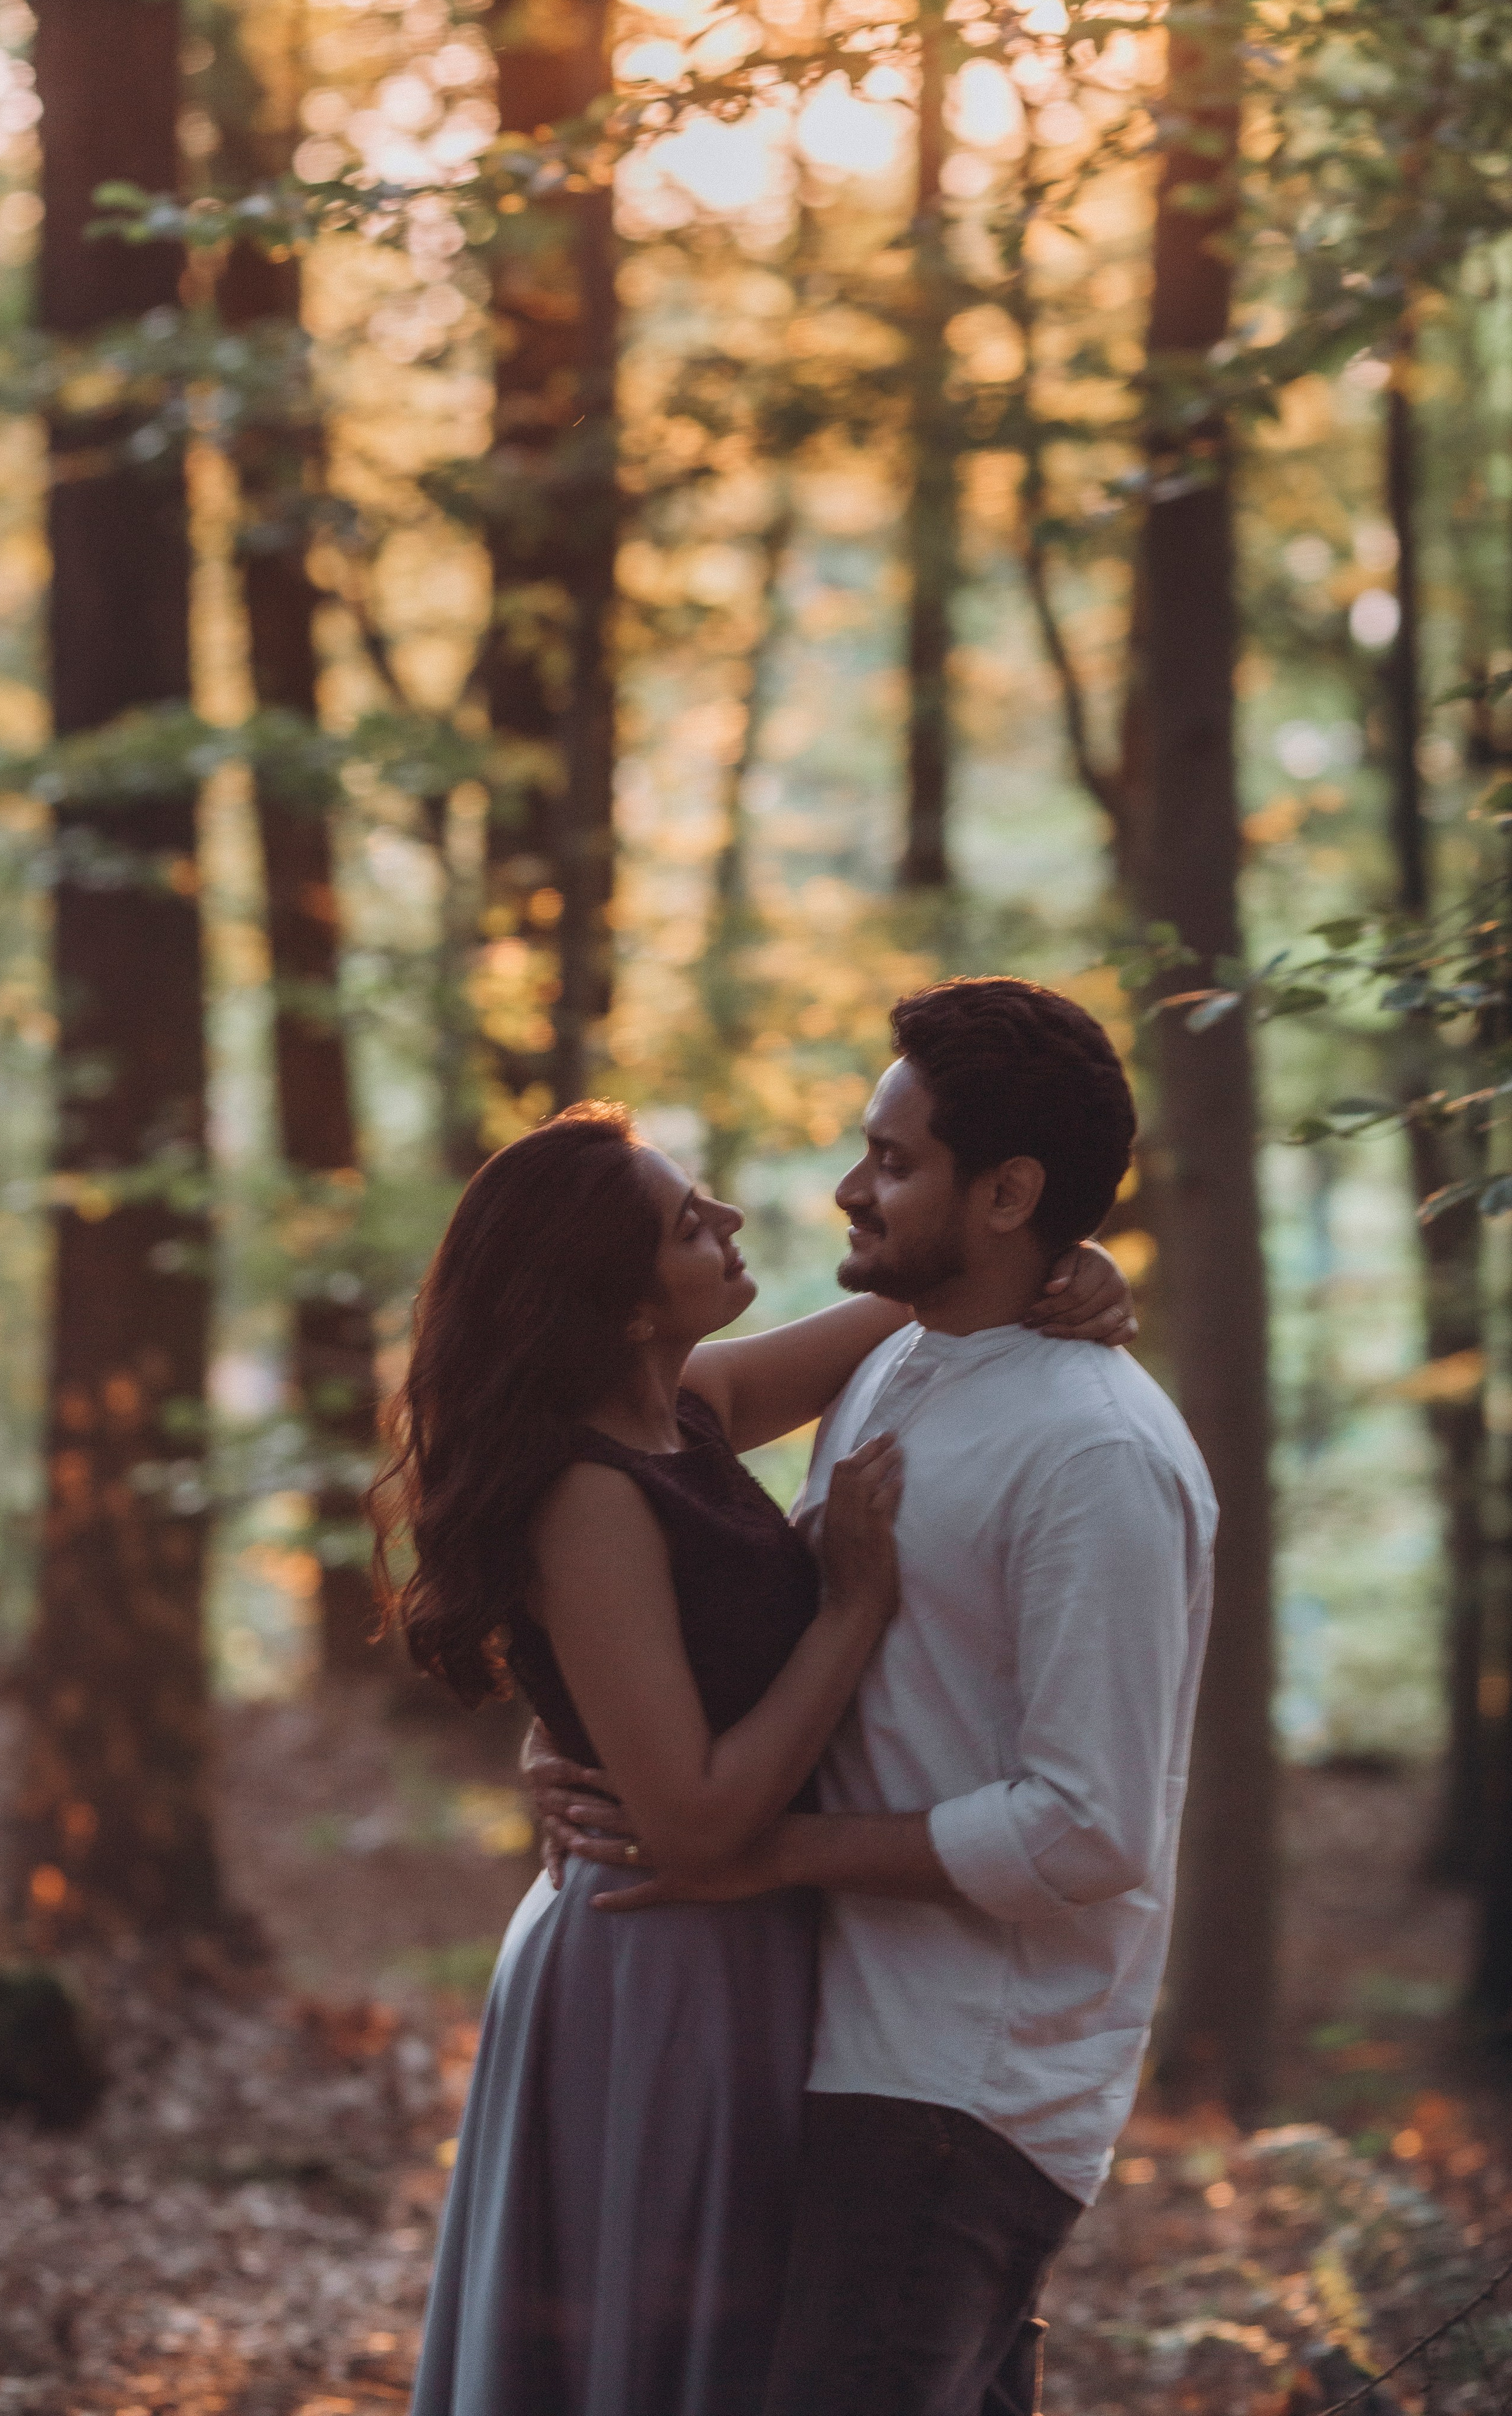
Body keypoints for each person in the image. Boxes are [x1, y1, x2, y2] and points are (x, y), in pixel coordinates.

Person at [372, 1067, 1134, 2416]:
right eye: (685, 1223)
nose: (727, 1214)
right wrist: (849, 1603)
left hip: (742, 1953)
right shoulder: (583, 1495)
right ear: (614, 1303)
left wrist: (1070, 1267)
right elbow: (701, 1826)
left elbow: (924, 1293)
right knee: (664, 2357)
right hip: (657, 1961)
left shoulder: (684, 1412)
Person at [545, 976, 1218, 2416]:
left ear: (1005, 1194)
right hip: (827, 2036)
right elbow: (654, 1523)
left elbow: (1087, 1831)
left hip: (956, 2088)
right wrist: (573, 1730)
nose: (849, 1188)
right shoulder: (902, 1362)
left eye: (894, 1160)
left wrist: (757, 1852)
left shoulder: (1096, 1455)